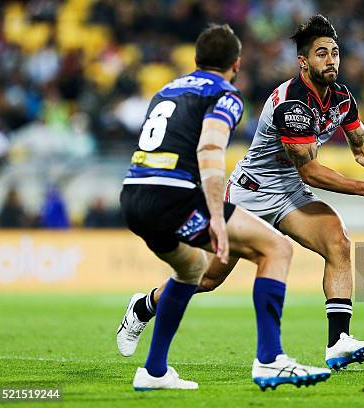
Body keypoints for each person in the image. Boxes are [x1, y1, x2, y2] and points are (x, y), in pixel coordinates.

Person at [118, 15, 364, 372]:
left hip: (289, 193)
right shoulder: (292, 103)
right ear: (304, 61)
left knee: (339, 242)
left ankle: (338, 342)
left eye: (335, 52)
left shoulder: (342, 98)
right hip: (251, 193)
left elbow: (363, 148)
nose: (331, 60)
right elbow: (311, 171)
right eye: (321, 54)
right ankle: (143, 307)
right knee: (208, 278)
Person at [118, 23, 330, 391]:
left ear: (196, 60)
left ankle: (153, 370)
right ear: (236, 63)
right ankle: (270, 360)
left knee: (192, 270)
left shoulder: (167, 89)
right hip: (174, 196)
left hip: (134, 194)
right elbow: (211, 150)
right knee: (276, 248)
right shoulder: (226, 95)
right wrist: (216, 216)